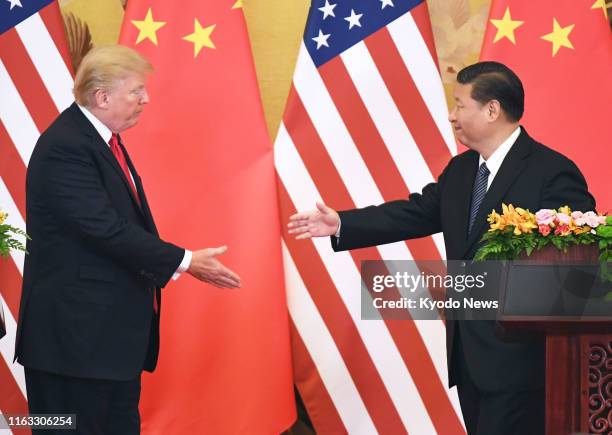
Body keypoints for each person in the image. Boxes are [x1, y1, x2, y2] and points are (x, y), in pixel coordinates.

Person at [288, 61, 595, 435]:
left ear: (492, 110)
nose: (452, 116)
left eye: (460, 105)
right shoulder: (462, 171)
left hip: (525, 365)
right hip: (470, 362)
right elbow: (414, 212)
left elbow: (578, 267)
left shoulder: (551, 171)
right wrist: (342, 223)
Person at [14, 45, 241, 434]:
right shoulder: (66, 147)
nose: (146, 99)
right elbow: (104, 228)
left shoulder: (99, 141)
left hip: (104, 344)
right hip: (73, 347)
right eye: (136, 91)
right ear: (103, 97)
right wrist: (185, 260)